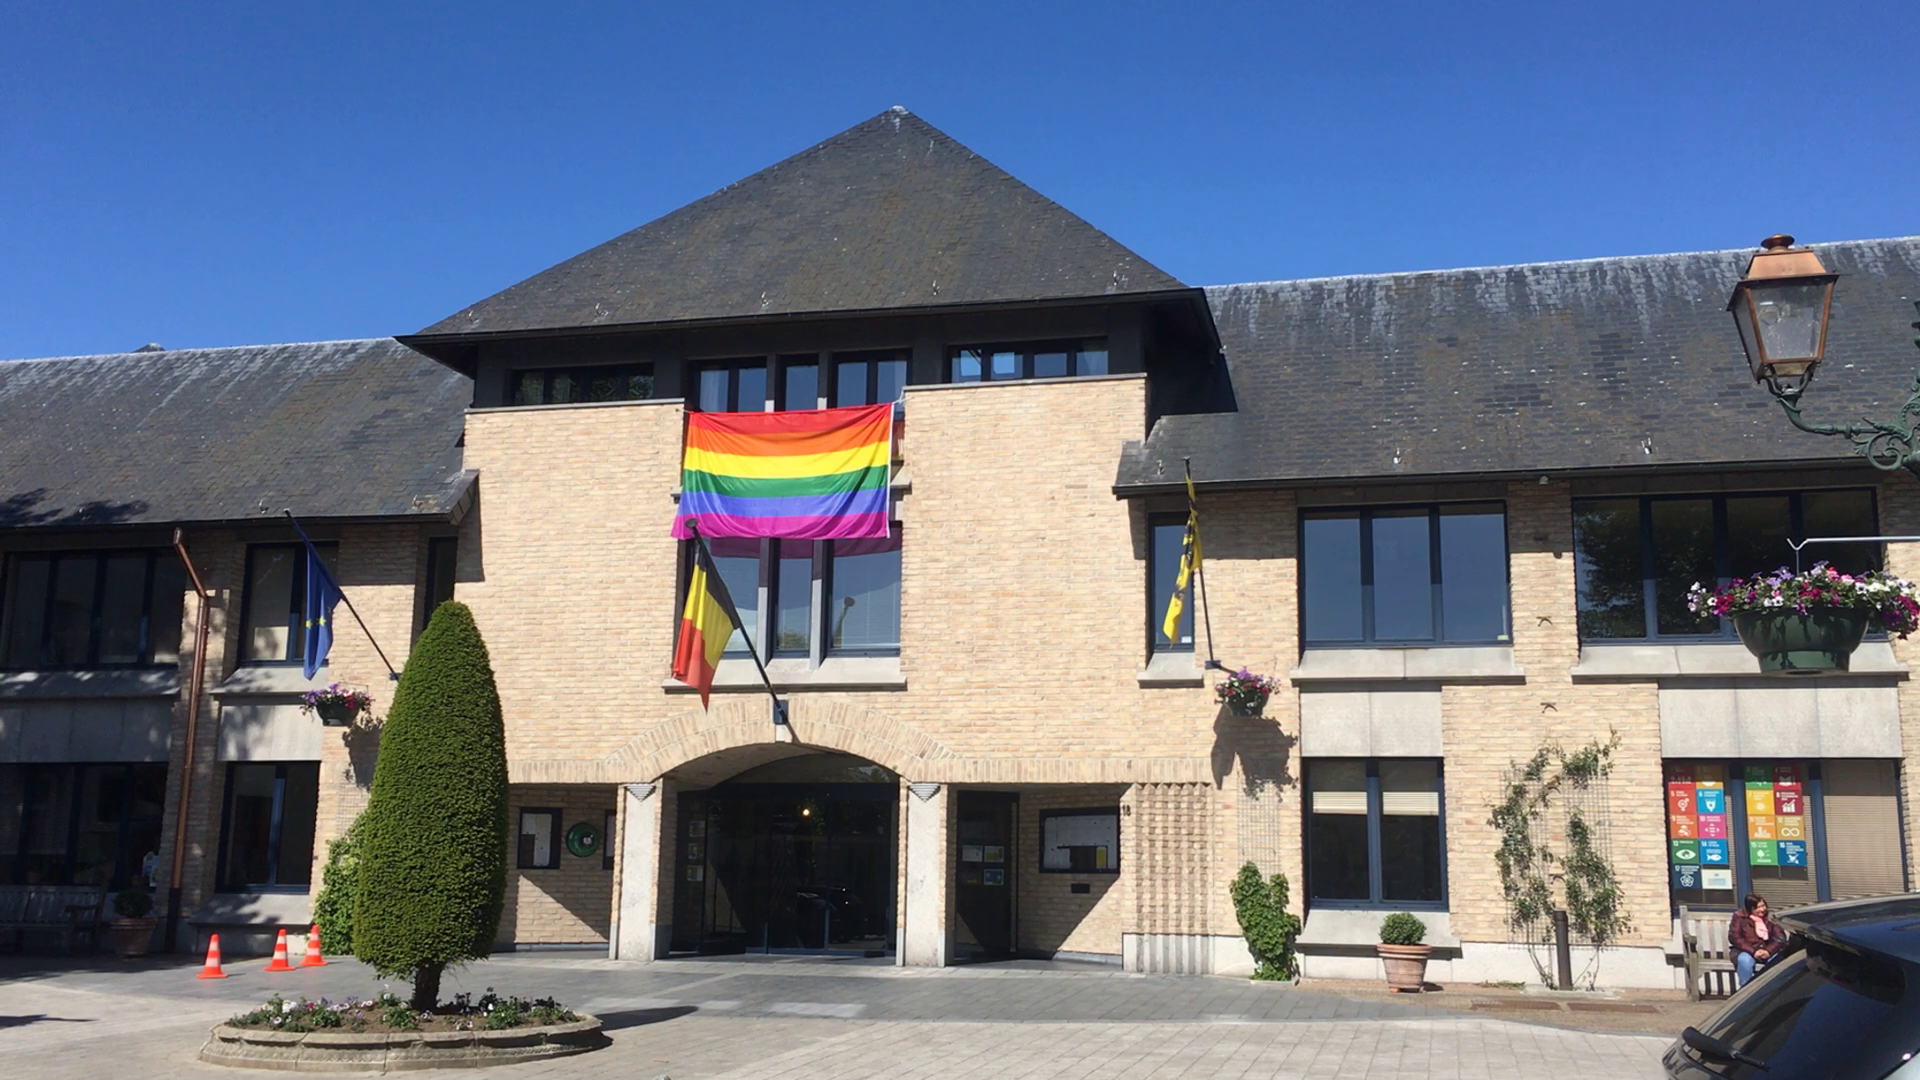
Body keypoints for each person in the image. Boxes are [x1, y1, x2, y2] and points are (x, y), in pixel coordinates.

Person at [1729, 893, 1788, 987]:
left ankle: (1772, 988)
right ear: (1750, 908)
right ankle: (1745, 989)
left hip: (1768, 949)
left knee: (1776, 961)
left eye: (1763, 906)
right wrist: (1754, 951)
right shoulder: (1739, 917)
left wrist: (1768, 951)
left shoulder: (1770, 917)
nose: (1762, 909)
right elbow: (1735, 937)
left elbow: (1780, 937)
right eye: (1758, 907)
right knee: (1745, 960)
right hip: (1747, 950)